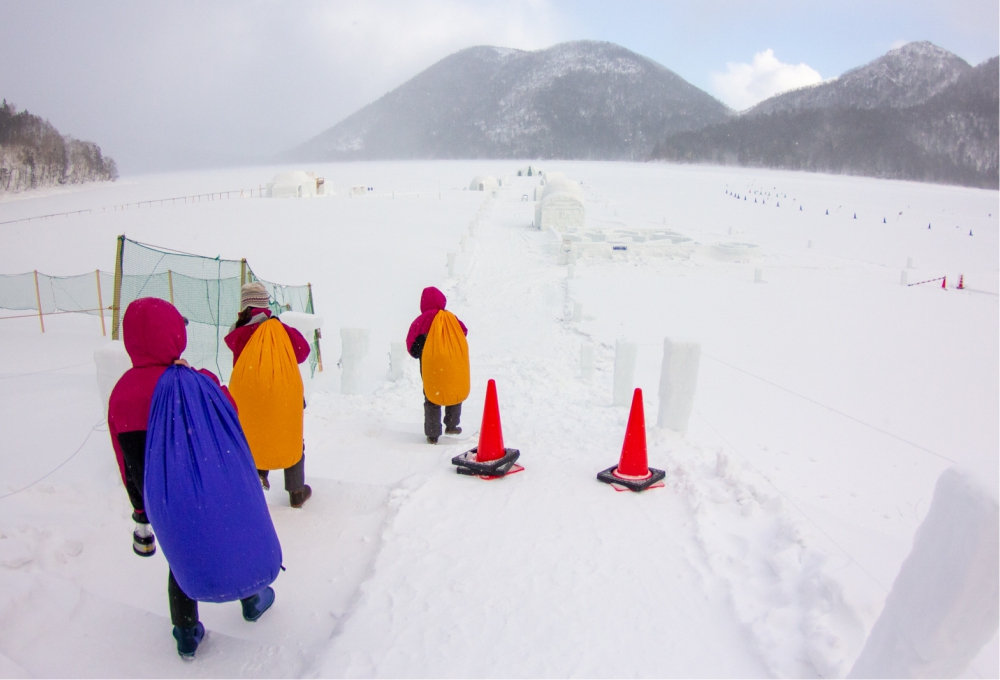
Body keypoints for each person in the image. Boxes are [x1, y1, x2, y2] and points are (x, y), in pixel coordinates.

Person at [108, 298, 277, 659]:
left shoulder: (121, 394)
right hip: (214, 489)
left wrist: (140, 507)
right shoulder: (197, 382)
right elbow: (230, 415)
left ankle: (186, 632)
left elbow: (126, 462)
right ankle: (252, 598)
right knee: (230, 539)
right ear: (173, 332)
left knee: (181, 558)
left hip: (163, 499)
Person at [225, 282, 313, 507]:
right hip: (282, 393)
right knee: (291, 435)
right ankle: (296, 491)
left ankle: (257, 476)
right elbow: (303, 351)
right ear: (266, 304)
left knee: (253, 434)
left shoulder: (238, 330)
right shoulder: (278, 328)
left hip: (248, 395)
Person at [406, 286, 470, 443]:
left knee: (432, 394)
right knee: (454, 390)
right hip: (451, 361)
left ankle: (433, 433)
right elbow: (464, 331)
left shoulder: (420, 321)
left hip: (430, 364)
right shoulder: (450, 318)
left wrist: (420, 353)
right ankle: (452, 424)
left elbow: (411, 342)